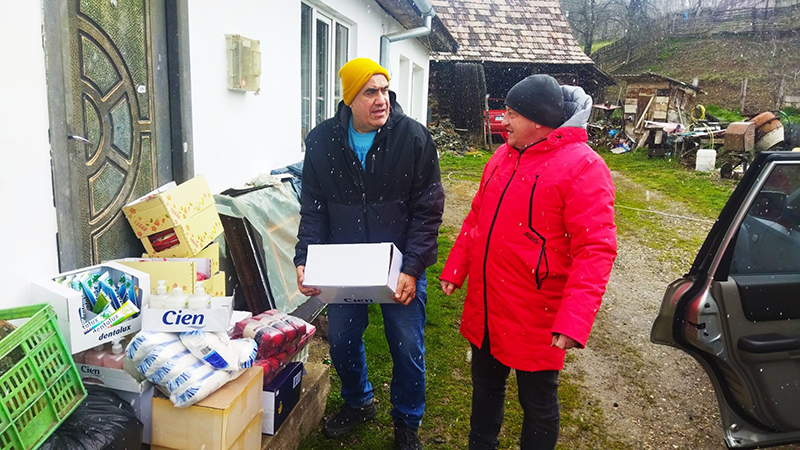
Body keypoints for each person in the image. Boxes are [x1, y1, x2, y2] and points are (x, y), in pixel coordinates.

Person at [439, 75, 617, 450]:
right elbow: (476, 217)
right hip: (488, 303)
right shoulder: (502, 156)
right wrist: (457, 267)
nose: (503, 120)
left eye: (512, 114)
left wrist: (574, 320)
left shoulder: (584, 166)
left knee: (537, 403)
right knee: (485, 387)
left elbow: (595, 249)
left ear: (539, 121)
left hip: (537, 312)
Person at [294, 57, 444, 450]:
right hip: (345, 262)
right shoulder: (322, 141)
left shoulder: (413, 137)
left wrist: (413, 266)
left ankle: (407, 420)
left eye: (384, 90)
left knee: (407, 345)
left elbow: (428, 208)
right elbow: (314, 207)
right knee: (342, 340)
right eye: (370, 92)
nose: (382, 100)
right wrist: (304, 258)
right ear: (349, 99)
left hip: (400, 262)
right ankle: (359, 402)